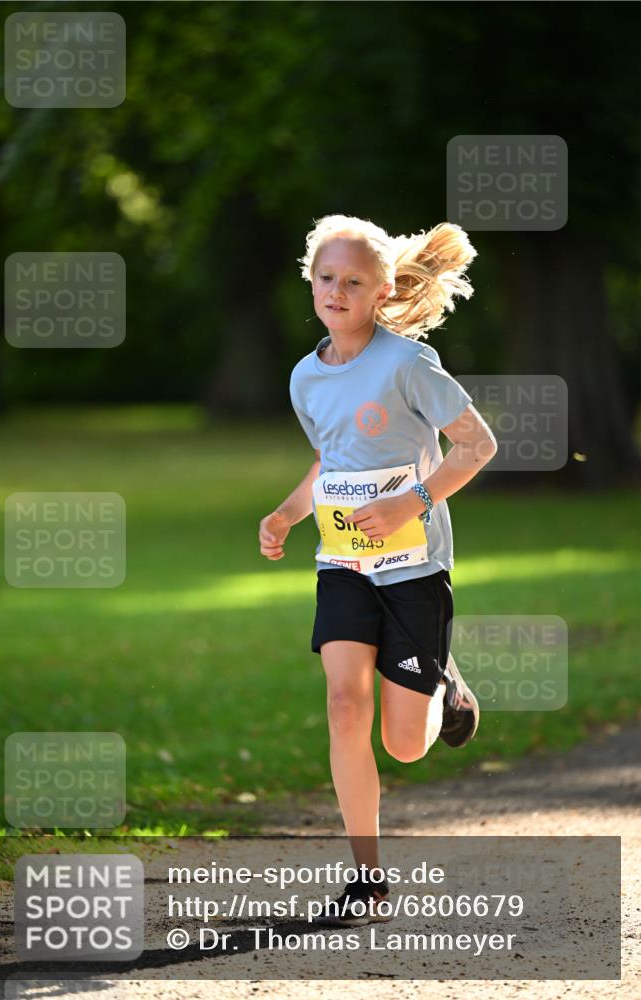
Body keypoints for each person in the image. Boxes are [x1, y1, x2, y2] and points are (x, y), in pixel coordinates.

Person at [258, 214, 497, 927]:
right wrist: (286, 513)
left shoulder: (406, 364)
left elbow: (475, 445)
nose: (336, 291)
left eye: (352, 281)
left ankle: (444, 683)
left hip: (414, 565)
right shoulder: (305, 376)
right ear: (311, 282)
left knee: (401, 742)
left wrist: (409, 504)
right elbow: (333, 462)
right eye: (325, 278)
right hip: (342, 563)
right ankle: (367, 878)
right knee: (342, 705)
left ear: (381, 289)